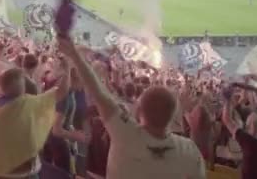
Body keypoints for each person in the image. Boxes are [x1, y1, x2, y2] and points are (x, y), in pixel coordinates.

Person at [56, 36, 205, 179]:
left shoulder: (125, 132)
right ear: (173, 117)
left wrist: (74, 55)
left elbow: (98, 93)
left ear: (139, 111)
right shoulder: (189, 149)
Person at [0, 62, 71, 178]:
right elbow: (62, 91)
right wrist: (68, 68)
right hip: (23, 174)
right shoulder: (27, 104)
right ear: (21, 86)